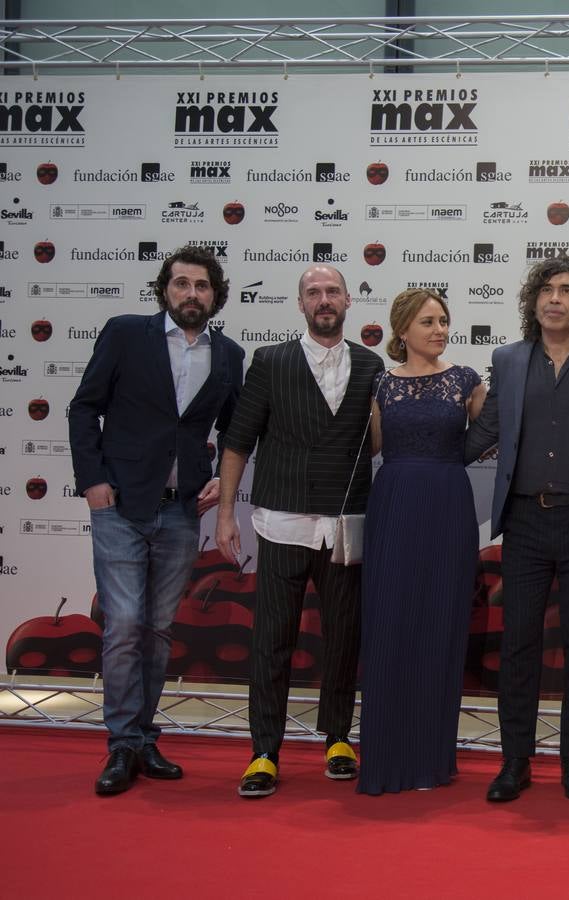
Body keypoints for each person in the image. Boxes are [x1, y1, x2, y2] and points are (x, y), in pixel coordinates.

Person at [70, 245, 244, 796]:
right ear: (164, 289)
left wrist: (228, 484)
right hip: (119, 504)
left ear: (215, 295)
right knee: (123, 626)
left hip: (180, 509)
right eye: (181, 284)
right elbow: (83, 406)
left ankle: (144, 736)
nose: (191, 293)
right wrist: (92, 479)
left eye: (201, 286)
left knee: (158, 630)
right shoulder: (125, 333)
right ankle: (122, 743)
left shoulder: (230, 354)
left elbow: (236, 433)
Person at [215, 264, 385, 799]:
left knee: (342, 638)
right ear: (300, 304)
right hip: (281, 521)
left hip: (345, 526)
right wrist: (224, 516)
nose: (324, 300)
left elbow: (374, 443)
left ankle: (338, 737)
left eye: (333, 291)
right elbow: (239, 442)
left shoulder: (372, 365)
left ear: (349, 301)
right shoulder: (270, 362)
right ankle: (264, 750)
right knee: (272, 642)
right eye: (313, 292)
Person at [465, 255, 569, 802]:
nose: (555, 299)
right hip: (526, 520)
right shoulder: (508, 360)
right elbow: (484, 432)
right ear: (533, 301)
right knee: (519, 645)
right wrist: (419, 436)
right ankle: (515, 761)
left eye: (567, 290)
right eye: (546, 290)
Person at [357, 288, 485, 795]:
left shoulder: (465, 382)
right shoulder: (381, 384)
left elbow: (493, 431)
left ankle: (431, 759)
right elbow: (370, 446)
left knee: (440, 624)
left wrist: (456, 459)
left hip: (448, 507)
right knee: (390, 623)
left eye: (444, 321)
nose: (439, 330)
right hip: (393, 506)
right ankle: (386, 759)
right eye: (428, 322)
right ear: (402, 330)